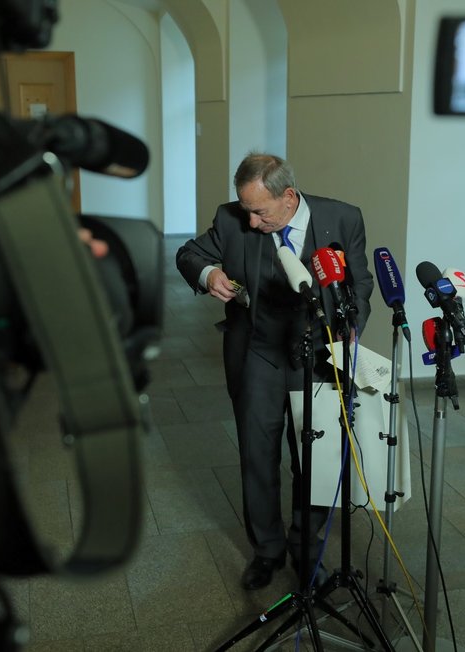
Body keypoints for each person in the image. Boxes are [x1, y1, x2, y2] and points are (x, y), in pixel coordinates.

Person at [175, 153, 372, 590]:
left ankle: (306, 548)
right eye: (245, 210)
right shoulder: (231, 220)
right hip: (258, 354)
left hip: (318, 360)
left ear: (288, 197)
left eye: (259, 212)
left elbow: (360, 283)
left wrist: (351, 325)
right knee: (258, 457)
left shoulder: (342, 218)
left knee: (314, 458)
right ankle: (267, 550)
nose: (250, 222)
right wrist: (208, 274)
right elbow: (189, 254)